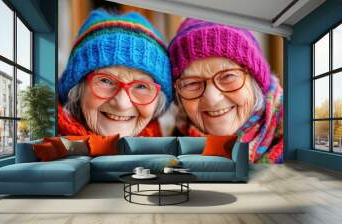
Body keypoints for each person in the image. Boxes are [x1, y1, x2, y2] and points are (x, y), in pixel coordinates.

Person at [168, 19, 283, 163]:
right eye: (192, 83)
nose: (212, 98)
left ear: (256, 82)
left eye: (228, 76)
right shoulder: (170, 150)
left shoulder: (298, 136)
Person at [58, 9, 173, 137]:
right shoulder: (41, 147)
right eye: (105, 81)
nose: (122, 104)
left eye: (142, 86)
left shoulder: (171, 153)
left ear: (158, 102)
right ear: (76, 90)